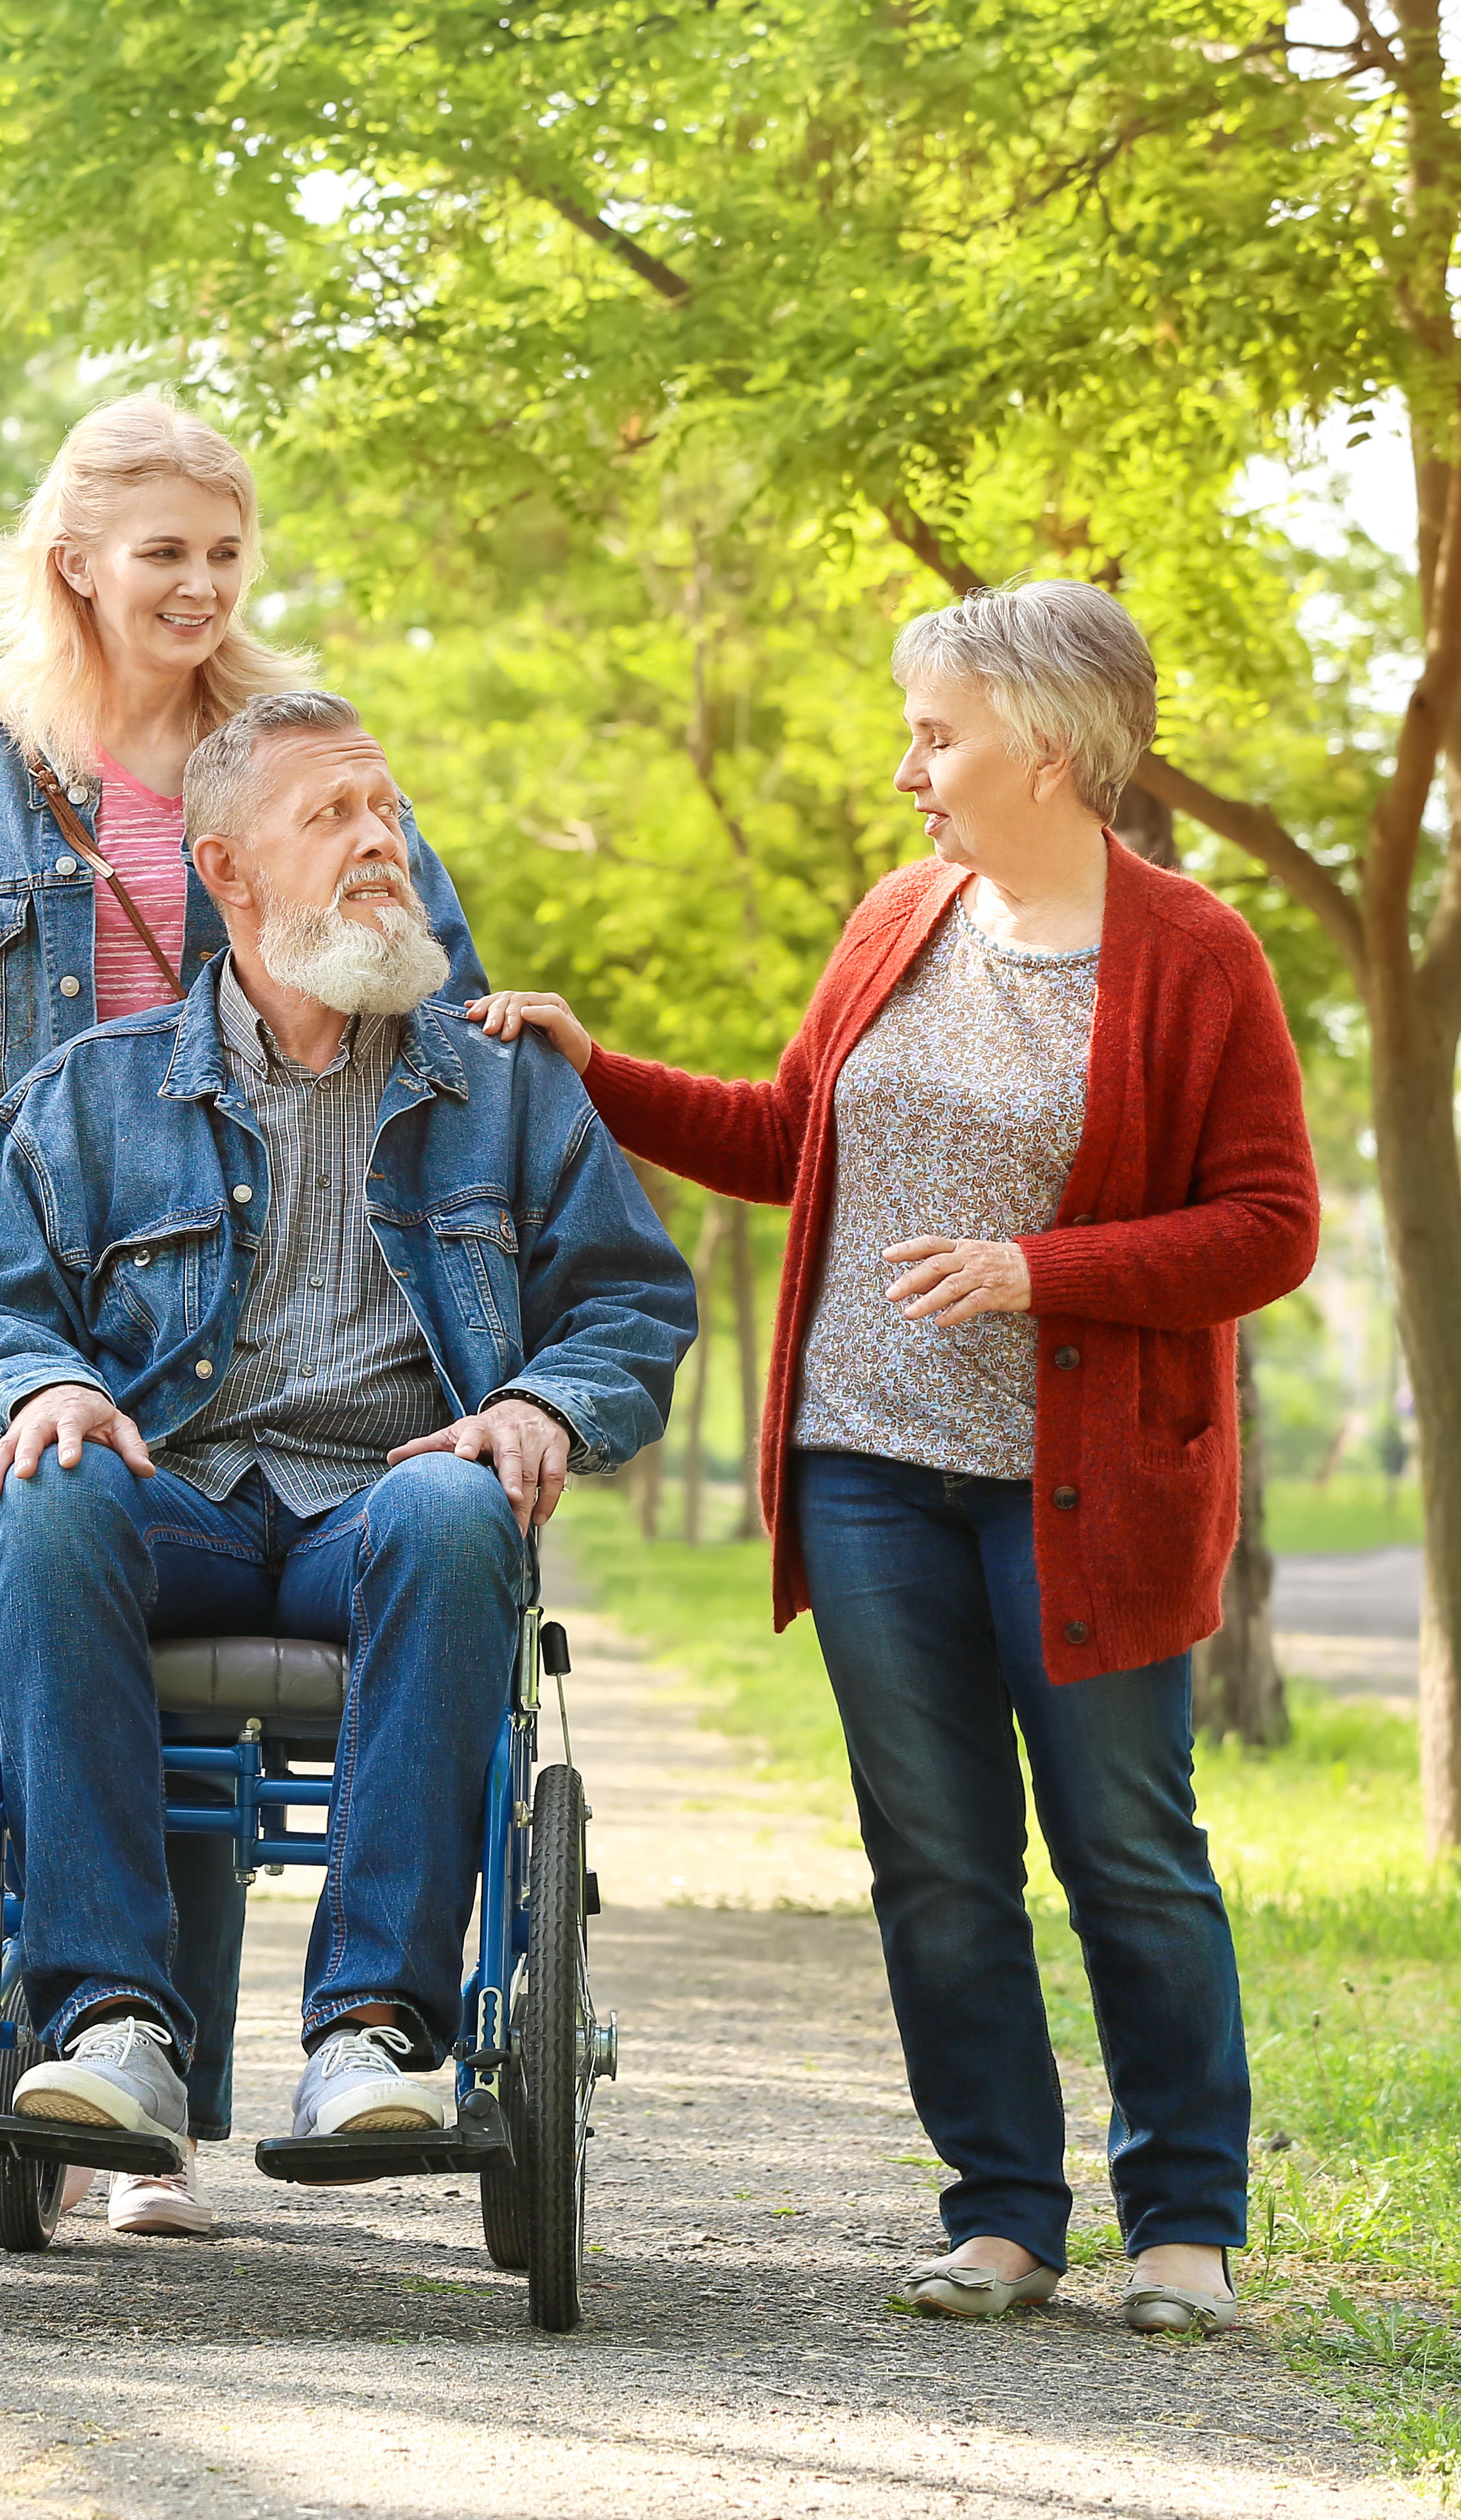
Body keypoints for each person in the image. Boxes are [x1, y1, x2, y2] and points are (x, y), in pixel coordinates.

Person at [471, 578, 1319, 2336]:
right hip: (865, 1464)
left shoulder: (1196, 957)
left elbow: (1271, 1226)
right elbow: (793, 1137)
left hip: (1084, 1492)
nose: (908, 768)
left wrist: (1039, 1270)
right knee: (936, 1858)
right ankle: (1003, 2212)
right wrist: (594, 1070)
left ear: (1054, 744)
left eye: (937, 733)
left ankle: (1185, 2222)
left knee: (1126, 1850)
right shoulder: (896, 918)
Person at [0, 394, 494, 2234]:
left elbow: (430, 975)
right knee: (83, 1592)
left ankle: (169, 2088)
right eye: (164, 555)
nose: (201, 585)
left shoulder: (297, 762)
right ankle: (108, 2042)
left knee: (242, 1582)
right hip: (62, 1284)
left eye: (224, 552)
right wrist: (23, 1212)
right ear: (77, 565)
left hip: (275, 1287)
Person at [0, 689, 693, 2176]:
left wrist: (538, 1403)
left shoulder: (506, 1090)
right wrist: (41, 1386)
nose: (377, 842)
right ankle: (110, 2025)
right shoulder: (99, 1094)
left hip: (390, 1509)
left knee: (461, 1513)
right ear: (226, 873)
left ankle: (375, 2035)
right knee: (53, 1488)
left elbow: (631, 1307)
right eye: (330, 817)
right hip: (177, 1496)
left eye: (385, 813)